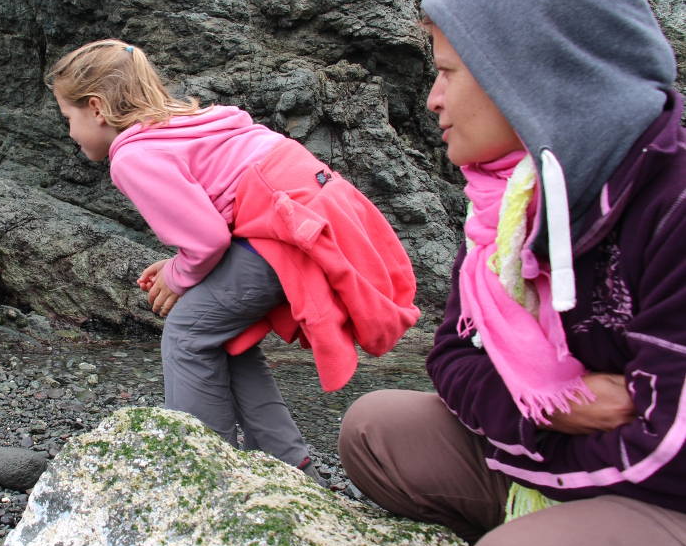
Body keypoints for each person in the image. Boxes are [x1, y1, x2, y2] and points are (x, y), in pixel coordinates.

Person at [337, 0, 686, 546]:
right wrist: (551, 410)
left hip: (671, 488)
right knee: (373, 430)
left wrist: (540, 434)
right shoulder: (510, 199)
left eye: (445, 73)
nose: (431, 100)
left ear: (524, 70)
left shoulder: (671, 198)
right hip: (585, 453)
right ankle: (571, 530)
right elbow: (450, 358)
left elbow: (668, 441)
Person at [47, 39, 418, 479]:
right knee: (223, 336)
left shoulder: (131, 154)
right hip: (314, 216)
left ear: (96, 108)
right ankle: (289, 465)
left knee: (187, 334)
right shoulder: (192, 120)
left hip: (282, 232)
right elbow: (222, 210)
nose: (69, 133)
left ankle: (206, 474)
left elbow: (206, 241)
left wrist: (179, 275)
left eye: (68, 118)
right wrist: (176, 269)